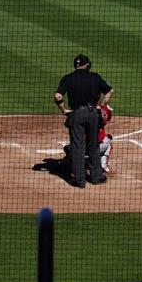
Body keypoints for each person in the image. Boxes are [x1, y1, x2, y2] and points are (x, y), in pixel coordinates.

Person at [53, 53, 113, 188]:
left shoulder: (68, 78)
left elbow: (58, 96)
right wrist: (102, 106)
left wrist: (63, 110)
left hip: (77, 114)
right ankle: (96, 177)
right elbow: (110, 91)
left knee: (78, 147)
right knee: (93, 145)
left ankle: (80, 181)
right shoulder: (95, 77)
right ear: (87, 65)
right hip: (93, 114)